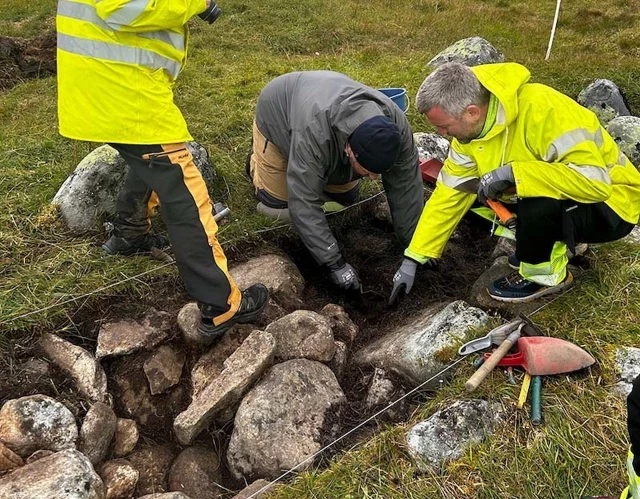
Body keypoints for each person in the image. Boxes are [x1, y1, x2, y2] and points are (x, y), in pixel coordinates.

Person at [56, 0, 268, 340]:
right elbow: (126, 8)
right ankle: (220, 304)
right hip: (123, 92)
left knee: (148, 162)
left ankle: (129, 234)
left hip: (108, 86)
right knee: (182, 188)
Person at [390, 62, 640, 303]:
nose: (441, 134)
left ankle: (545, 276)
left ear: (472, 112)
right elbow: (450, 191)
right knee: (476, 199)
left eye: (444, 127)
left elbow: (595, 183)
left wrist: (515, 174)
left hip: (613, 205)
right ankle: (557, 241)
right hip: (576, 200)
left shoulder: (543, 110)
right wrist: (414, 256)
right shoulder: (470, 134)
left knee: (534, 197)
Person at [248, 70, 425, 290]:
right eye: (369, 171)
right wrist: (334, 263)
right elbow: (302, 203)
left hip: (326, 129)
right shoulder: (312, 133)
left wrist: (416, 251)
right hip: (279, 118)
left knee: (346, 197)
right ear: (350, 150)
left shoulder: (395, 127)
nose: (374, 178)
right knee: (275, 208)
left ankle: (319, 172)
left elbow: (406, 187)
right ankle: (257, 161)